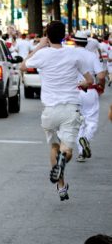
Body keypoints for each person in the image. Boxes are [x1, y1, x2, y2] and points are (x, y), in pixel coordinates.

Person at [20, 20, 93, 201]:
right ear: (65, 35)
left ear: (47, 35)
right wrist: (81, 84)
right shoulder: (74, 54)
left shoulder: (43, 54)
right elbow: (90, 80)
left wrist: (39, 46)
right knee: (66, 149)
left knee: (54, 146)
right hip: (70, 108)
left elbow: (23, 66)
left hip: (50, 110)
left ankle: (61, 186)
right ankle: (63, 159)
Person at [72, 31, 106, 163]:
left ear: (74, 41)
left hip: (73, 92)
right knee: (91, 120)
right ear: (86, 43)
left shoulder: (69, 54)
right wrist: (101, 87)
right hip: (89, 91)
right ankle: (86, 139)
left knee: (78, 123)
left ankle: (81, 152)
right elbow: (101, 76)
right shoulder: (91, 55)